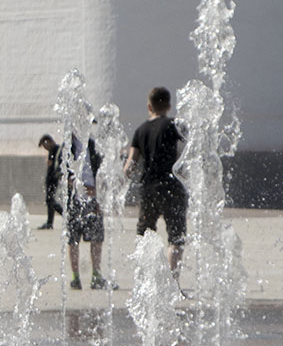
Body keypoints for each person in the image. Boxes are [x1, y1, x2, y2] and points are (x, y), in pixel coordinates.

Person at [124, 87, 187, 281]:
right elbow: (189, 150)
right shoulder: (174, 125)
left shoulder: (140, 130)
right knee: (175, 237)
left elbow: (129, 166)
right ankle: (172, 284)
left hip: (148, 188)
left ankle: (145, 282)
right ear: (168, 105)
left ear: (149, 106)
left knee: (144, 235)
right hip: (172, 186)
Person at [63, 134, 112, 289]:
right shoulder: (66, 147)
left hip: (93, 200)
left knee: (97, 238)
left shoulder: (92, 145)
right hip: (74, 201)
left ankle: (96, 275)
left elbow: (102, 173)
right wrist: (79, 186)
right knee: (73, 239)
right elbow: (60, 174)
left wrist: (98, 194)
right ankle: (75, 277)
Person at [37, 134, 63, 230]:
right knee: (49, 201)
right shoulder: (52, 150)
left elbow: (57, 164)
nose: (45, 148)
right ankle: (49, 222)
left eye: (45, 145)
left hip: (53, 179)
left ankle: (66, 215)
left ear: (49, 142)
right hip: (51, 179)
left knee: (51, 201)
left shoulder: (57, 149)